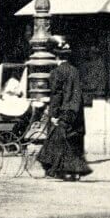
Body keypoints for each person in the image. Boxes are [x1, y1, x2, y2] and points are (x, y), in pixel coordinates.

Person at [37, 36, 91, 181]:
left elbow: (56, 95)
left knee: (56, 141)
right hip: (77, 112)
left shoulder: (56, 73)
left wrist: (54, 114)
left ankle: (56, 170)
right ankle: (74, 172)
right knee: (73, 142)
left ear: (56, 57)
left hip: (64, 111)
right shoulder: (75, 71)